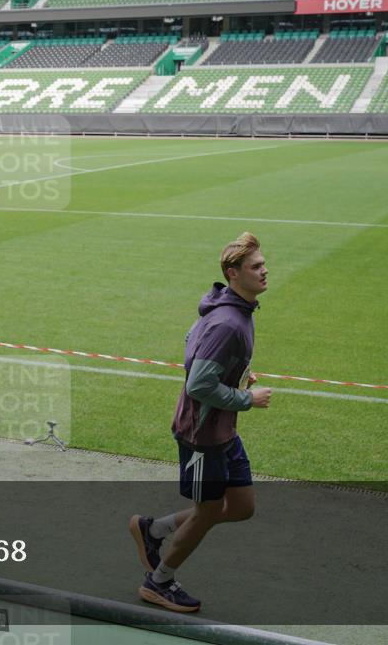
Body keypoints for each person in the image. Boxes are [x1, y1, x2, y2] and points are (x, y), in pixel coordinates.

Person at [130, 231, 272, 612]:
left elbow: (192, 344)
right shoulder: (228, 322)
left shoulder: (234, 310)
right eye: (256, 266)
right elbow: (197, 383)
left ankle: (153, 529)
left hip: (222, 429)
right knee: (207, 511)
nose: (265, 271)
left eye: (264, 264)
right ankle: (158, 582)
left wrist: (235, 375)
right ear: (232, 273)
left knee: (241, 506)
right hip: (202, 436)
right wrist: (246, 398)